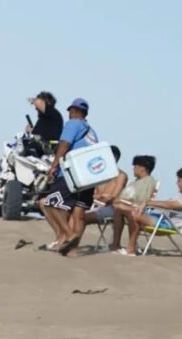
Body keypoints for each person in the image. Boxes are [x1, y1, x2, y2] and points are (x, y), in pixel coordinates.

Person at [37, 97, 99, 255]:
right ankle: (70, 246)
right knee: (77, 213)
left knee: (50, 204)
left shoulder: (73, 124)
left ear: (74, 111)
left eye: (70, 111)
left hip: (70, 174)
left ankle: (67, 236)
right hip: (88, 178)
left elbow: (64, 144)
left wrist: (54, 166)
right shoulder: (92, 133)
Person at [112, 166, 182, 256]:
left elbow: (170, 205)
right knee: (119, 209)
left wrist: (147, 202)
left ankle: (130, 250)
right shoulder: (181, 194)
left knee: (135, 214)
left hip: (168, 223)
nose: (177, 183)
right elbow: (167, 205)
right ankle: (115, 245)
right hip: (160, 217)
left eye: (179, 181)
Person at [108, 155, 157, 252]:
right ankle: (115, 244)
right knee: (118, 209)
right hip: (123, 207)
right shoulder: (135, 182)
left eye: (135, 166)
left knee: (120, 208)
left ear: (142, 168)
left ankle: (128, 247)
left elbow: (142, 199)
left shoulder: (148, 181)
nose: (133, 168)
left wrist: (122, 202)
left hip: (135, 209)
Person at [80, 145, 128, 232]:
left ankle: (73, 242)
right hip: (95, 205)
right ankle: (67, 240)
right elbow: (93, 195)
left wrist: (100, 197)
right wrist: (101, 196)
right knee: (73, 213)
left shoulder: (120, 176)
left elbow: (113, 197)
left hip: (111, 208)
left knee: (81, 217)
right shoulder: (99, 175)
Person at [23, 91, 63, 156]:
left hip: (47, 149)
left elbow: (40, 104)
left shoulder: (52, 112)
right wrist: (31, 131)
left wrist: (34, 100)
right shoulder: (44, 118)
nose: (35, 108)